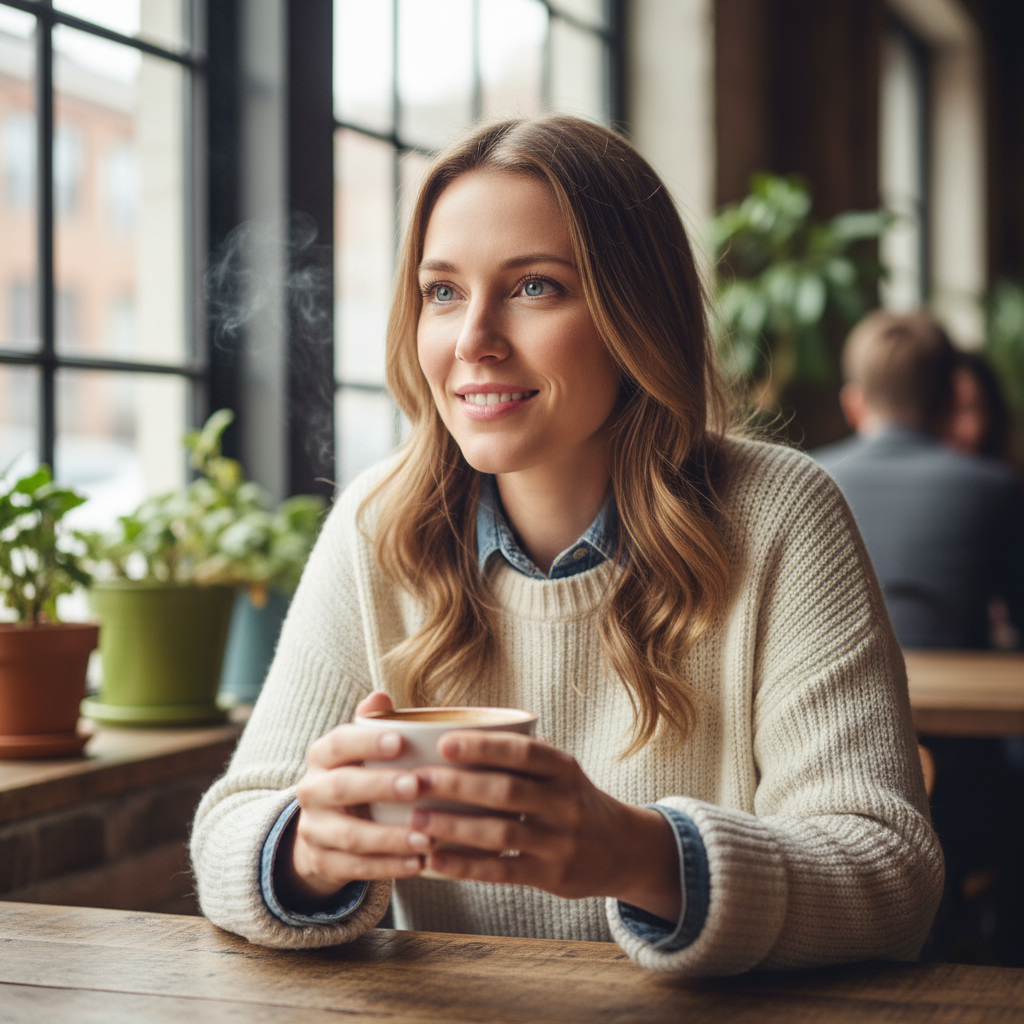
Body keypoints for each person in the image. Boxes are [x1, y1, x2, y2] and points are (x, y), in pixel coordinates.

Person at [190, 115, 942, 977]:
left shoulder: (780, 515)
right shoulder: (378, 523)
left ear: (634, 313)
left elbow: (893, 876)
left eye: (534, 287)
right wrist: (310, 848)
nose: (473, 339)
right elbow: (229, 829)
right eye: (442, 292)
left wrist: (638, 855)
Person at [812, 311, 1024, 650]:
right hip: (966, 698)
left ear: (853, 405)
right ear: (948, 402)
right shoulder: (993, 488)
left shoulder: (810, 480)